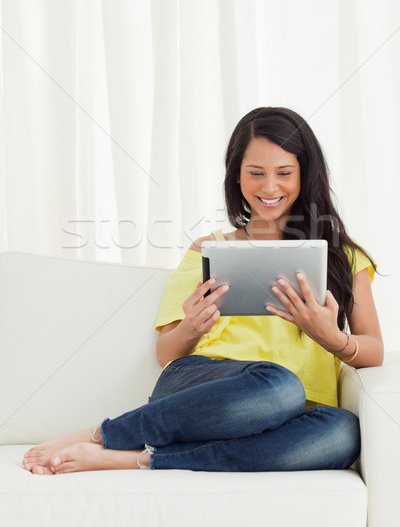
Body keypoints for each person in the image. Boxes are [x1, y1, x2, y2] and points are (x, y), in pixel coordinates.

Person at [23, 106, 383, 475]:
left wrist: (331, 337)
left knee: (342, 432)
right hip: (203, 389)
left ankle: (142, 459)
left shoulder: (343, 257)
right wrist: (192, 327)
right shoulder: (206, 249)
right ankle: (106, 434)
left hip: (294, 412)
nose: (270, 187)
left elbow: (374, 350)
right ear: (237, 177)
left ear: (305, 175)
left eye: (284, 173)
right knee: (279, 386)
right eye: (255, 173)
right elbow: (167, 352)